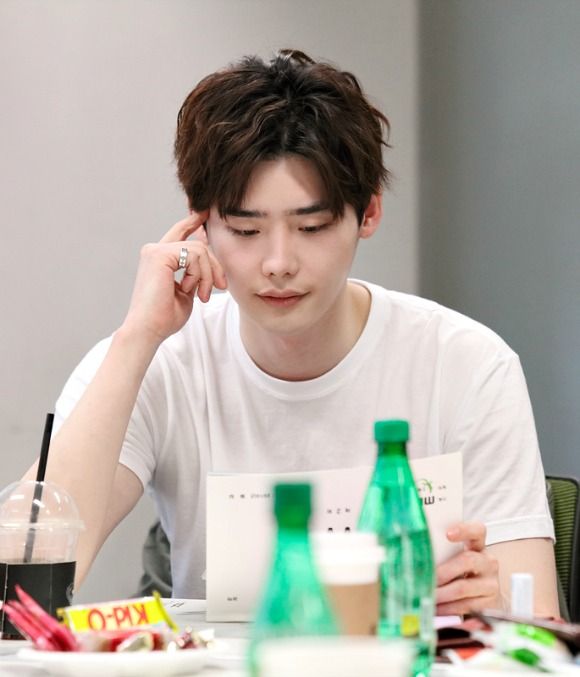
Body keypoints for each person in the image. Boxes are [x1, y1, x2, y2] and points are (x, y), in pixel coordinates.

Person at [29, 49, 559, 617]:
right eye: (245, 229)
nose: (278, 263)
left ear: (368, 213)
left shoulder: (467, 365)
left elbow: (540, 623)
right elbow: (27, 579)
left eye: (311, 226)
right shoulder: (160, 356)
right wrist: (137, 337)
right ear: (200, 221)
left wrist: (493, 604)